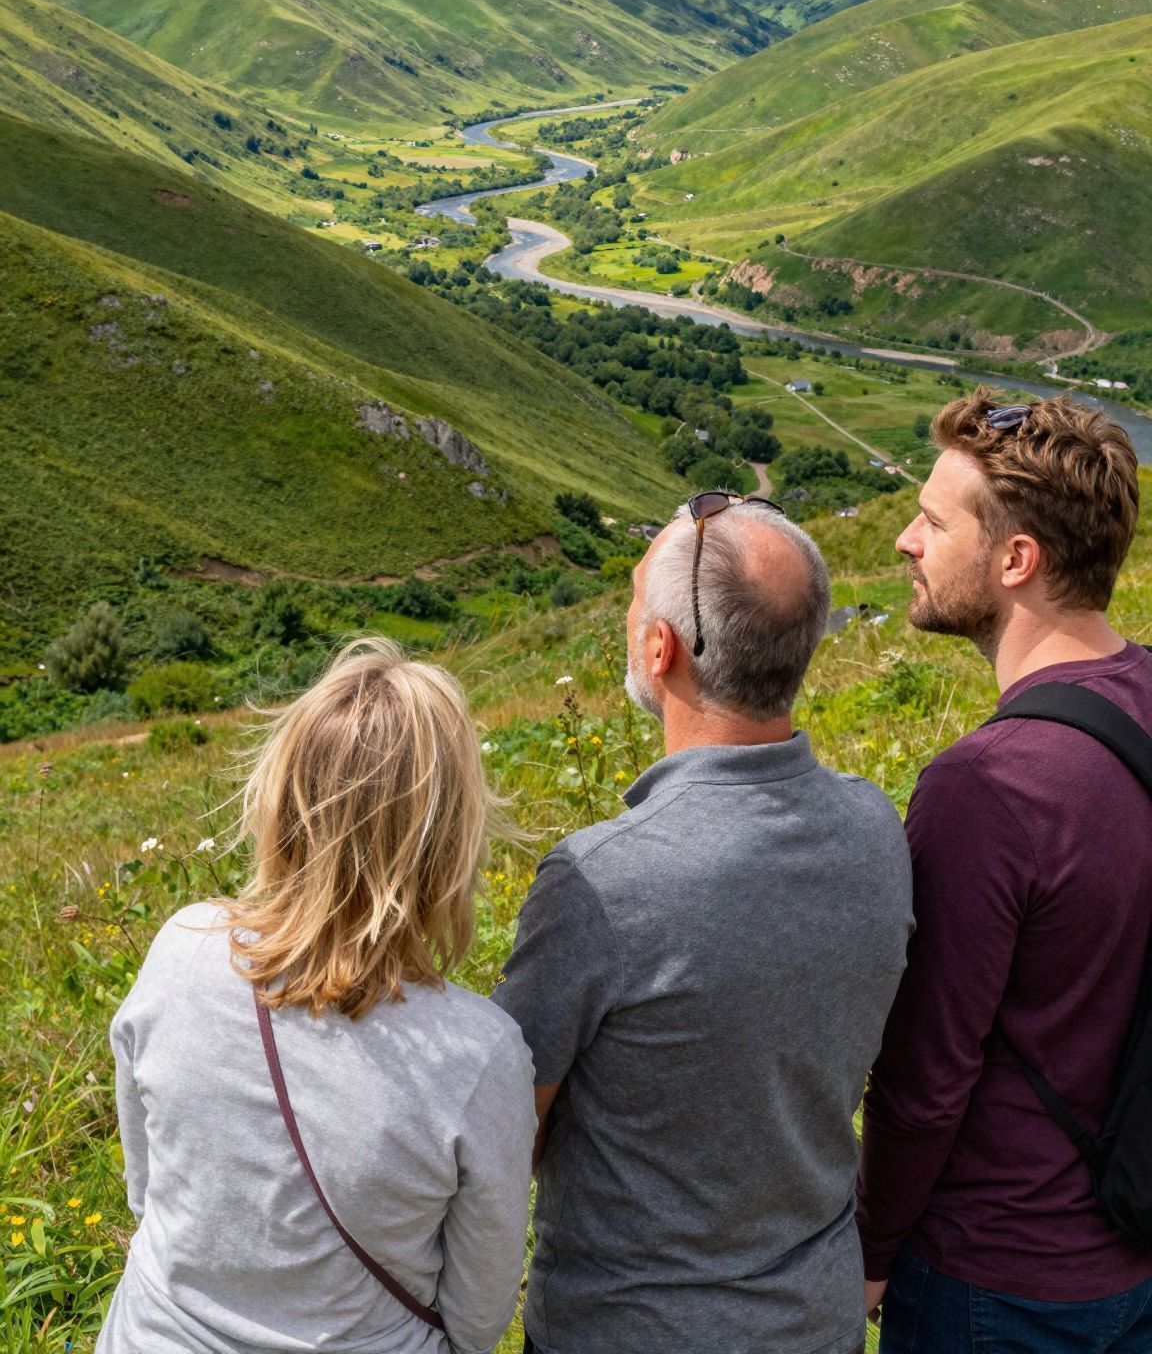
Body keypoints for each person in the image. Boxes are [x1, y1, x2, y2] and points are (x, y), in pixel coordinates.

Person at [495, 492, 913, 1354]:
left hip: (629, 1331)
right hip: (814, 1322)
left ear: (662, 649)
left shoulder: (601, 880)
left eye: (634, 600)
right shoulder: (877, 829)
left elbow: (508, 1129)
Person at [97, 638, 536, 1354]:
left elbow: (147, 1196)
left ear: (281, 801)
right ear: (450, 839)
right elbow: (478, 1318)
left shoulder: (181, 950)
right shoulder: (479, 1055)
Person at [858, 392, 1152, 1352]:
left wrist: (869, 1250)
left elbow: (925, 1077)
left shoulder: (989, 788)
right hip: (1133, 1242)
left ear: (1015, 559)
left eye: (935, 522)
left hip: (998, 1277)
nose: (907, 540)